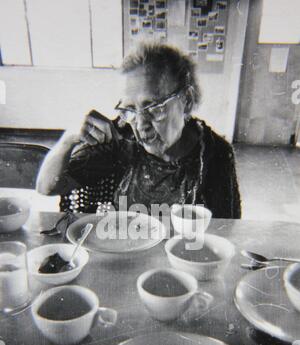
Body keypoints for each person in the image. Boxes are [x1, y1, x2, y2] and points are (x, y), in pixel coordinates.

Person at [36, 42, 241, 219]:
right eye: (130, 110)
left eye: (154, 107)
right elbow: (47, 187)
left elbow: (225, 230)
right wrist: (67, 140)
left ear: (186, 100)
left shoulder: (215, 154)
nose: (141, 124)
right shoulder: (121, 140)